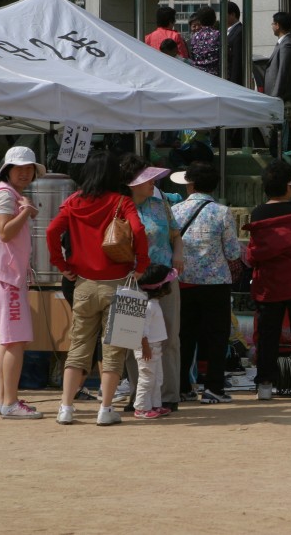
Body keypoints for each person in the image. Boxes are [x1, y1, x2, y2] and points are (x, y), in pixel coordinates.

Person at [47, 150, 150, 426]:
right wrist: (142, 264)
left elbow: (51, 232)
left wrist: (61, 264)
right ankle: (106, 409)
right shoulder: (121, 201)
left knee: (79, 345)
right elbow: (138, 231)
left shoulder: (73, 202)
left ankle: (66, 408)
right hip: (118, 283)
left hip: (83, 284)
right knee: (114, 348)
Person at [244, 161, 291, 402]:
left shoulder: (257, 213)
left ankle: (265, 385)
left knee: (268, 336)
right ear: (288, 187)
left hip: (269, 283)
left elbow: (252, 254)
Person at [0, 147, 46, 419]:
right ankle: (9, 402)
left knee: (7, 342)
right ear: (7, 169)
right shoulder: (6, 195)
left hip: (4, 276)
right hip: (6, 278)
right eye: (19, 167)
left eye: (29, 167)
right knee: (14, 342)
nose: (25, 172)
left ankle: (4, 400)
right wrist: (27, 212)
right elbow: (5, 232)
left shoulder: (5, 194)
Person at [171, 163, 241, 405]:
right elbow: (233, 252)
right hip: (216, 283)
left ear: (190, 184)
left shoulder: (176, 210)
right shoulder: (222, 212)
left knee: (184, 336)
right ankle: (213, 387)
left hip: (183, 281)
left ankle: (181, 387)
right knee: (217, 337)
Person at [119, 155, 184, 412]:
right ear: (132, 183)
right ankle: (140, 394)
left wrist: (178, 253)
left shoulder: (161, 203)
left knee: (169, 337)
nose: (153, 182)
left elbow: (175, 234)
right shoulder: (118, 208)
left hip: (164, 280)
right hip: (131, 281)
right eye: (147, 178)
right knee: (130, 338)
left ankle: (169, 394)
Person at [132, 268, 172, 420]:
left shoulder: (153, 303)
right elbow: (141, 328)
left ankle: (154, 405)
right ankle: (141, 408)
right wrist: (145, 347)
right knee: (147, 378)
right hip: (147, 348)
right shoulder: (148, 306)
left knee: (157, 378)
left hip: (154, 348)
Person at [263, 11, 291, 101]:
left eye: (273, 23)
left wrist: (276, 97)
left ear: (278, 25)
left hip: (283, 96)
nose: (272, 26)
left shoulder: (287, 45)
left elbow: (283, 72)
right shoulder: (283, 43)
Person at [188, 6, 221, 76]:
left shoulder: (195, 37)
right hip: (215, 75)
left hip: (198, 74)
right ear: (214, 19)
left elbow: (192, 55)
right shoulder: (218, 34)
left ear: (199, 21)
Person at [226, 1, 244, 85]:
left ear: (232, 14)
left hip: (233, 81)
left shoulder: (240, 31)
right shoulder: (227, 31)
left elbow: (237, 59)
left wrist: (234, 83)